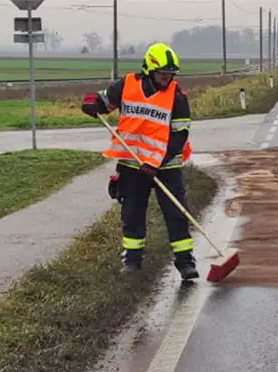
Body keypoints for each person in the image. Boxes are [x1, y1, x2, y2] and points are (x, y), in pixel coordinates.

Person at [81, 42, 198, 280]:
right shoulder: (128, 85)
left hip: (167, 166)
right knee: (132, 212)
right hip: (132, 163)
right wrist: (92, 103)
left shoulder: (177, 96)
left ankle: (185, 262)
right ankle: (132, 261)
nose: (166, 78)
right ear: (149, 69)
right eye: (162, 74)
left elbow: (179, 134)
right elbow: (104, 101)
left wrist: (156, 162)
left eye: (170, 74)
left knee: (175, 212)